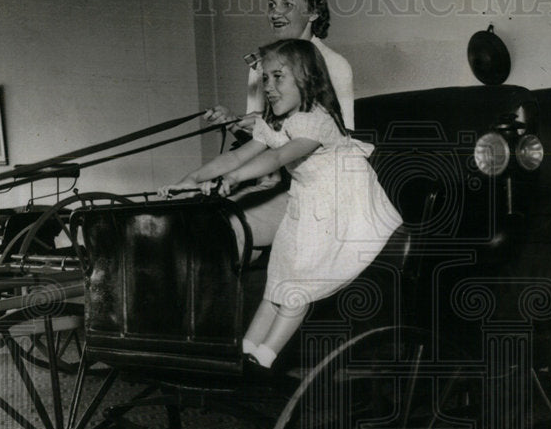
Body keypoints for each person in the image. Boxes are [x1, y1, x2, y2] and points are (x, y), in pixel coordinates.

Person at [162, 40, 401, 369]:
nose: (269, 87)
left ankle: (267, 356)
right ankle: (245, 350)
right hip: (307, 201)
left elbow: (277, 156)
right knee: (278, 279)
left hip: (341, 205)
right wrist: (190, 180)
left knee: (298, 282)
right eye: (265, 79)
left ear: (306, 79)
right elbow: (236, 155)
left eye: (278, 77)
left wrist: (233, 180)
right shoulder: (277, 122)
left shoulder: (318, 120)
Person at [203, 0, 355, 261]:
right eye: (272, 4)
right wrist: (235, 122)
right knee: (205, 216)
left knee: (228, 228)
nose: (275, 13)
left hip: (314, 187)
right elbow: (262, 136)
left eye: (288, 4)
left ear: (313, 11)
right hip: (269, 177)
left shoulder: (335, 65)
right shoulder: (262, 63)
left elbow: (338, 139)